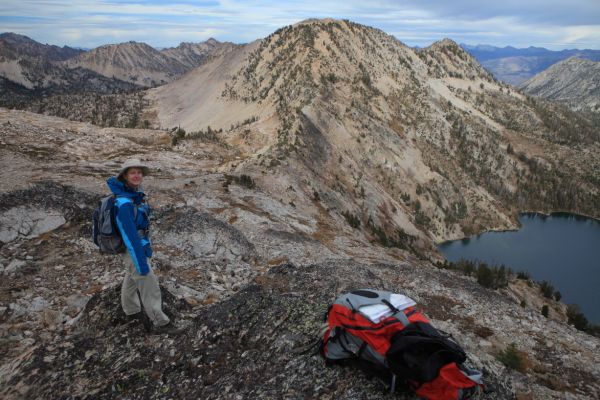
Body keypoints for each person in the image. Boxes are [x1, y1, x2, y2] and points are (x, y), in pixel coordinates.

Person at [106, 158, 184, 335]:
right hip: (133, 248)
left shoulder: (134, 195)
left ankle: (131, 311)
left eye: (139, 172)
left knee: (131, 276)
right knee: (148, 282)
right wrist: (140, 259)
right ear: (125, 176)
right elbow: (129, 236)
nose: (137, 175)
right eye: (132, 172)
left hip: (138, 245)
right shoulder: (125, 203)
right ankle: (160, 322)